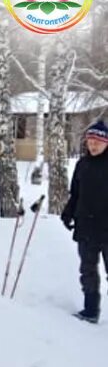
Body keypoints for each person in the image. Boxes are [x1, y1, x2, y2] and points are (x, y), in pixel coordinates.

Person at [61, 119, 108, 322]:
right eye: (90, 140)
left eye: (98, 141)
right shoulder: (82, 164)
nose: (93, 145)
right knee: (87, 270)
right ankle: (90, 310)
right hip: (86, 227)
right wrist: (68, 212)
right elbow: (76, 194)